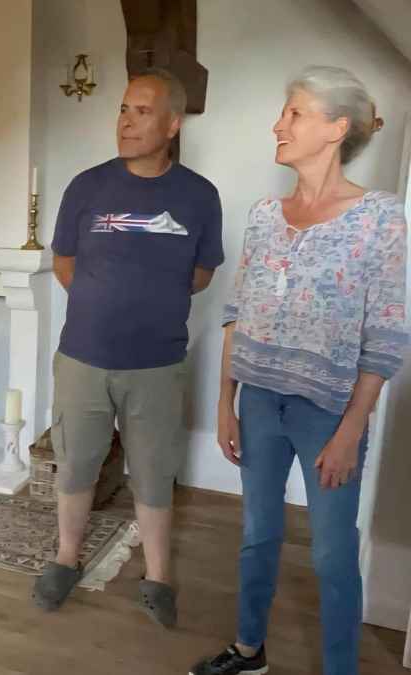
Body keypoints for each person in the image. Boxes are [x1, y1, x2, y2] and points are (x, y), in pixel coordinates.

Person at [190, 66, 406, 675]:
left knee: (333, 557)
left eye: (295, 113)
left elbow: (386, 335)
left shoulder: (380, 218)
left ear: (337, 128)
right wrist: (224, 403)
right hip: (258, 402)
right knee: (258, 535)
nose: (278, 125)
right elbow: (237, 314)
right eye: (284, 113)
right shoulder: (264, 214)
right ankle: (249, 650)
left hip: (329, 413)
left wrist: (349, 431)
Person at [33, 68, 225, 628]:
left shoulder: (198, 196)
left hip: (158, 364)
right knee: (75, 466)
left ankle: (159, 574)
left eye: (142, 112)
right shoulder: (86, 187)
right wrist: (104, 304)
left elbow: (203, 272)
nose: (125, 121)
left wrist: (147, 301)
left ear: (171, 124)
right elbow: (66, 263)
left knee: (153, 471)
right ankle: (66, 559)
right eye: (122, 109)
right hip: (84, 358)